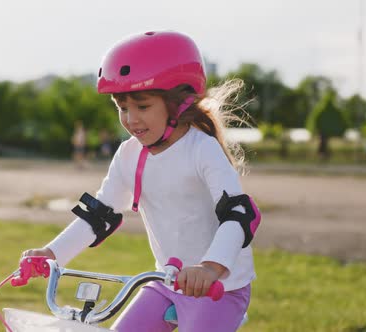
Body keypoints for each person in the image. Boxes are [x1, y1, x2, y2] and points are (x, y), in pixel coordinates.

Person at [21, 31, 261, 332]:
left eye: (142, 106)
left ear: (179, 104)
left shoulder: (201, 149)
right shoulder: (129, 154)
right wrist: (51, 254)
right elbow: (99, 215)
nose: (131, 119)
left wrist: (210, 268)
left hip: (219, 288)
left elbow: (239, 214)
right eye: (122, 107)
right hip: (166, 282)